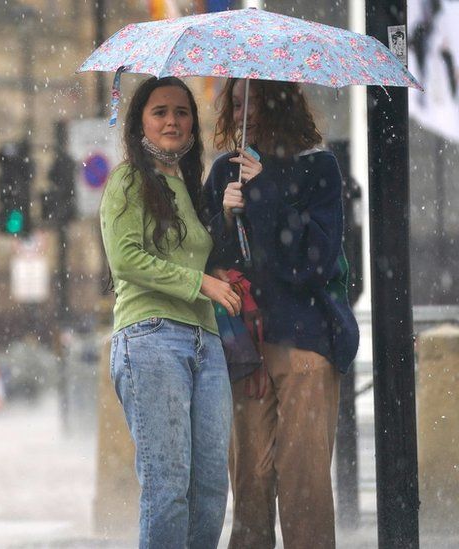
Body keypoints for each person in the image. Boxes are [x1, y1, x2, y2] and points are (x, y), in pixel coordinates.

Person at [204, 78, 358, 549]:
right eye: (235, 103)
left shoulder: (319, 169)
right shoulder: (223, 171)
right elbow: (209, 261)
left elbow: (314, 262)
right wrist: (225, 217)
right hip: (244, 348)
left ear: (283, 104)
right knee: (249, 481)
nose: (245, 114)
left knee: (303, 483)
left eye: (256, 102)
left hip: (305, 342)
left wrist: (266, 189)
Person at [100, 76, 241, 548]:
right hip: (150, 336)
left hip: (206, 341)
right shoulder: (128, 179)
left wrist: (226, 212)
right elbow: (126, 259)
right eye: (160, 111)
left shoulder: (189, 186)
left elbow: (200, 253)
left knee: (210, 492)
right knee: (168, 489)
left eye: (181, 112)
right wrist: (199, 283)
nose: (172, 121)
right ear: (141, 121)